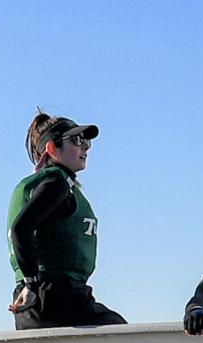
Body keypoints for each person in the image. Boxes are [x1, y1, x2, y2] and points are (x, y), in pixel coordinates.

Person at [7, 111, 126, 329]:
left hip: (38, 302)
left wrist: (29, 285)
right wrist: (32, 283)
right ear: (52, 149)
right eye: (76, 140)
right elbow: (20, 229)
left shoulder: (45, 184)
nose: (86, 147)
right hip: (56, 299)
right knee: (123, 334)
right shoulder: (56, 183)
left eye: (86, 141)